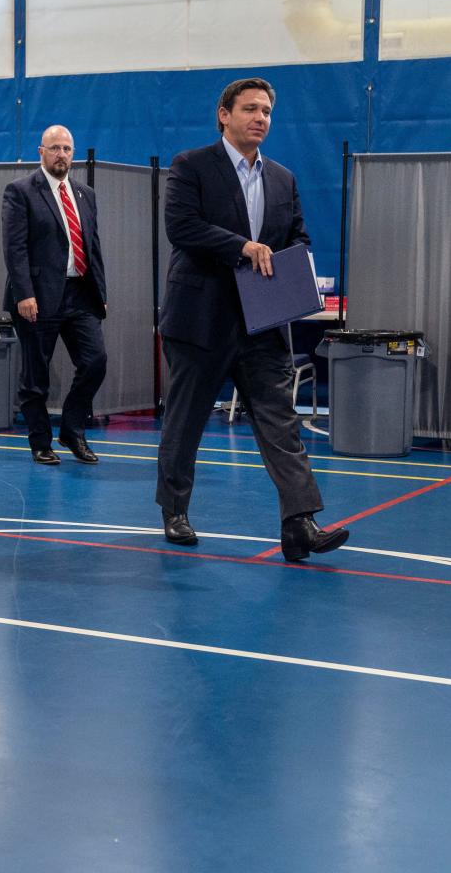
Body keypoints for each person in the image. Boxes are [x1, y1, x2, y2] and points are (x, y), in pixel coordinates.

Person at [155, 77, 349, 561]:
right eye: (250, 109)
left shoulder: (283, 177)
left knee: (281, 424)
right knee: (186, 422)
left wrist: (293, 271)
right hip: (200, 320)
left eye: (266, 111)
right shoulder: (191, 166)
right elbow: (182, 228)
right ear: (224, 114)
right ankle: (174, 511)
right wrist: (242, 247)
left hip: (263, 323)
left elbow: (297, 238)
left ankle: (300, 524)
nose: (260, 118)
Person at [2, 125, 108, 465]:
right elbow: (14, 248)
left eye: (66, 148)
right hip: (36, 296)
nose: (61, 154)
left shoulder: (85, 194)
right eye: (55, 148)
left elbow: (93, 247)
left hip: (79, 294)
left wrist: (100, 292)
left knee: (95, 362)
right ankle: (40, 442)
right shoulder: (20, 191)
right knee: (36, 375)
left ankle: (72, 430)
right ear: (41, 152)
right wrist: (24, 293)